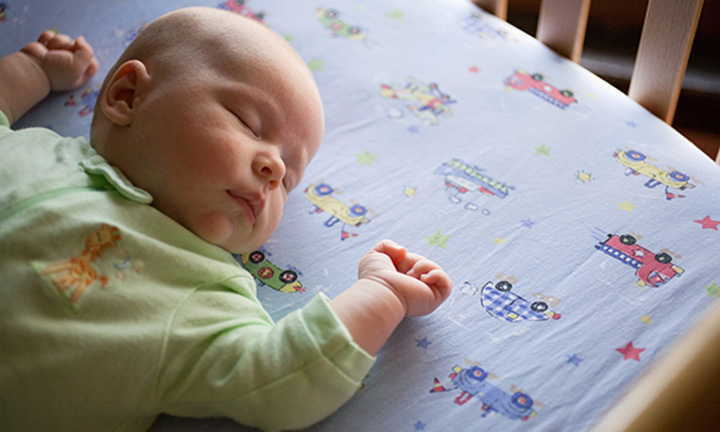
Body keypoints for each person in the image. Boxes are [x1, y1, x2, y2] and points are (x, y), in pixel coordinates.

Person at [0, 7, 452, 431]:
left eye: (288, 179)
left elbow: (280, 379)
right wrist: (34, 70)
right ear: (128, 95)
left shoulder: (202, 289)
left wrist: (384, 293)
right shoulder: (38, 152)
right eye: (249, 124)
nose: (274, 169)